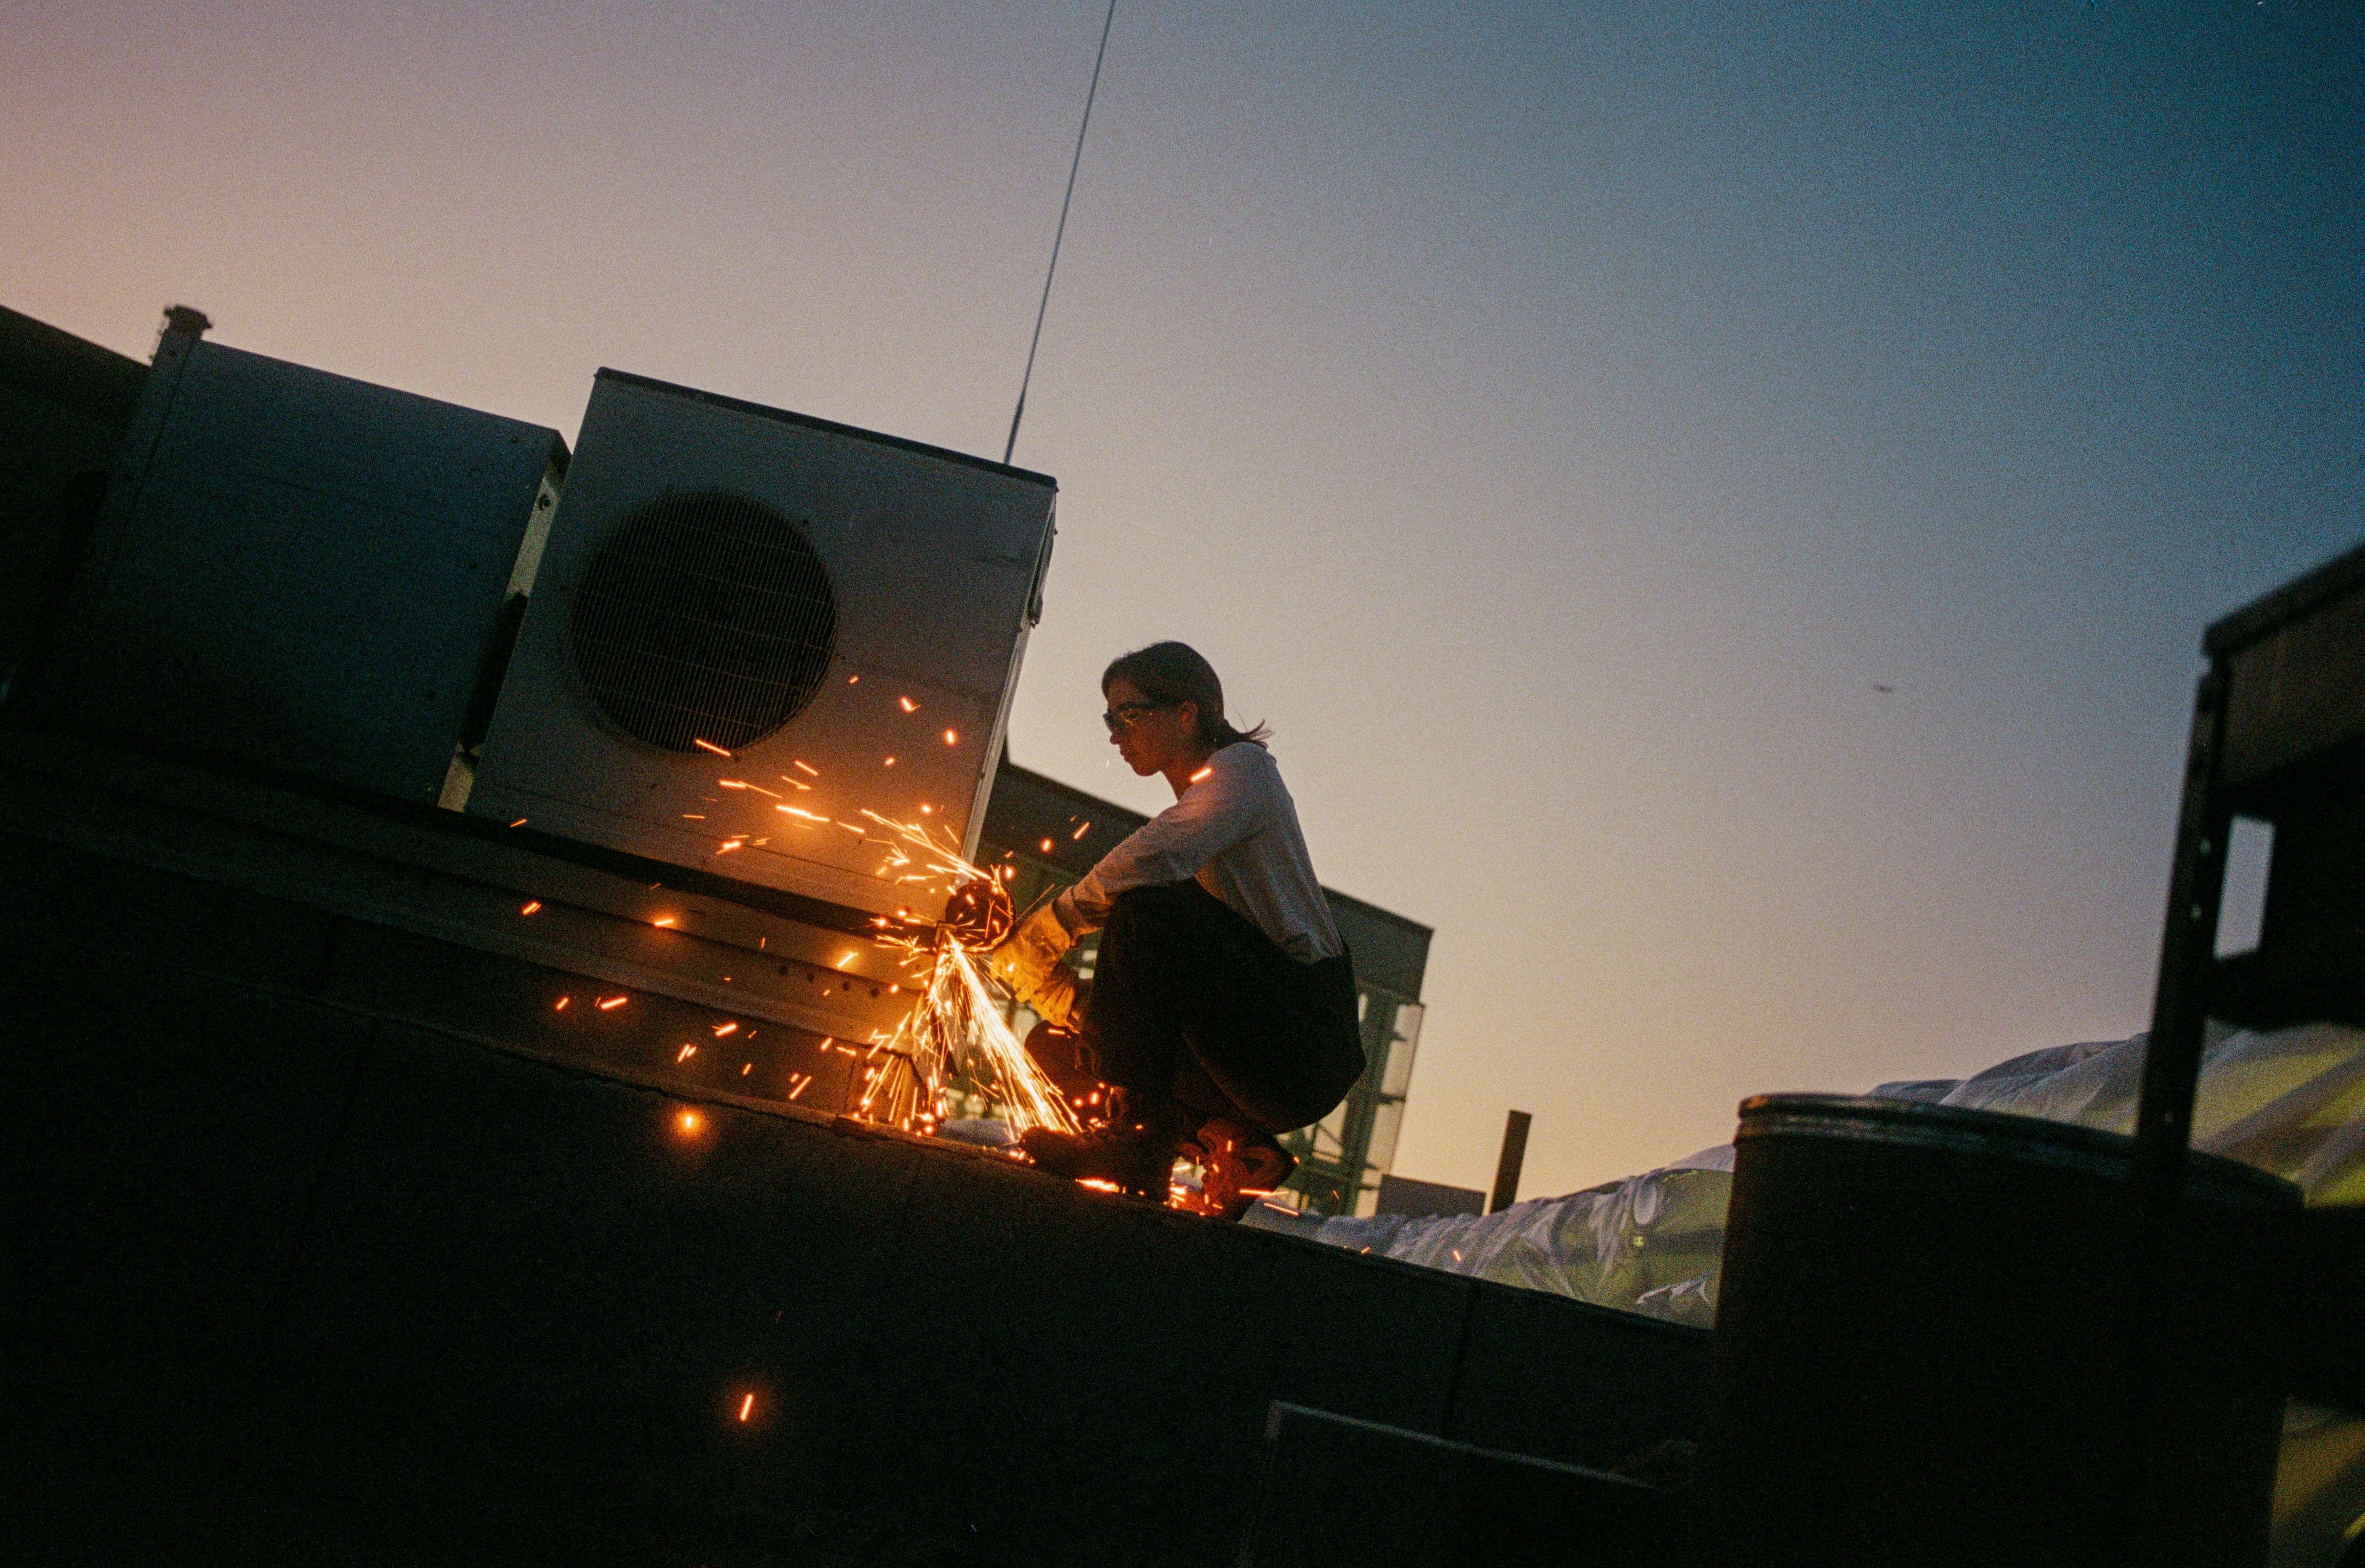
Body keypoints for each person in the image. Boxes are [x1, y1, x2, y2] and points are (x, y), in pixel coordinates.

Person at [988, 642, 1364, 1219]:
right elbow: (1141, 1018)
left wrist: (1050, 929)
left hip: (1303, 1047)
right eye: (1110, 719)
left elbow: (1153, 855)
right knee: (1057, 1049)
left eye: (1129, 715)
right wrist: (1054, 991)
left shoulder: (1246, 773)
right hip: (1250, 1046)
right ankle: (1239, 1148)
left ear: (1187, 713)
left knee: (1146, 908)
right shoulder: (1208, 814)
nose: (1116, 734)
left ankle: (1137, 1148)